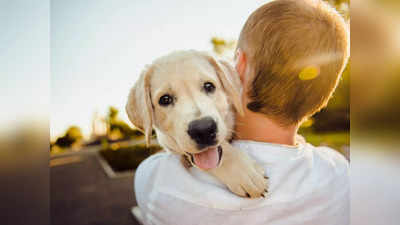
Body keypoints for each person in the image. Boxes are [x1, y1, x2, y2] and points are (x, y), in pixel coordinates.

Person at [134, 0, 350, 224]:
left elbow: (167, 150)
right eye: (166, 99)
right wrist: (224, 157)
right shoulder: (339, 173)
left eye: (208, 87)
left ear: (238, 66)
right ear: (322, 96)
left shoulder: (157, 182)